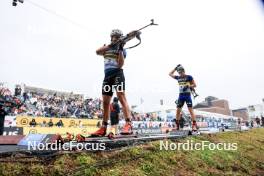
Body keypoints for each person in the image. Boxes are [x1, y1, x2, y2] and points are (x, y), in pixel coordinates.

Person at [91, 29, 138, 136]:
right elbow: (97, 51)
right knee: (105, 101)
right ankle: (103, 127)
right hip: (107, 76)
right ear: (111, 37)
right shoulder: (107, 48)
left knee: (121, 96)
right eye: (114, 36)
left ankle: (128, 124)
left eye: (117, 37)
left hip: (118, 74)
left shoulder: (122, 50)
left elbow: (120, 65)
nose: (115, 38)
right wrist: (111, 45)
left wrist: (120, 48)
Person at [169, 64, 198, 131]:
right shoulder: (178, 77)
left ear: (184, 71)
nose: (180, 74)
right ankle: (177, 126)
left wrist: (189, 86)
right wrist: (175, 68)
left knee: (191, 111)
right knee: (178, 111)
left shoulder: (189, 77)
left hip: (187, 95)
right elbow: (170, 74)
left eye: (181, 72)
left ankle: (194, 126)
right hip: (181, 96)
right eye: (179, 72)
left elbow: (195, 85)